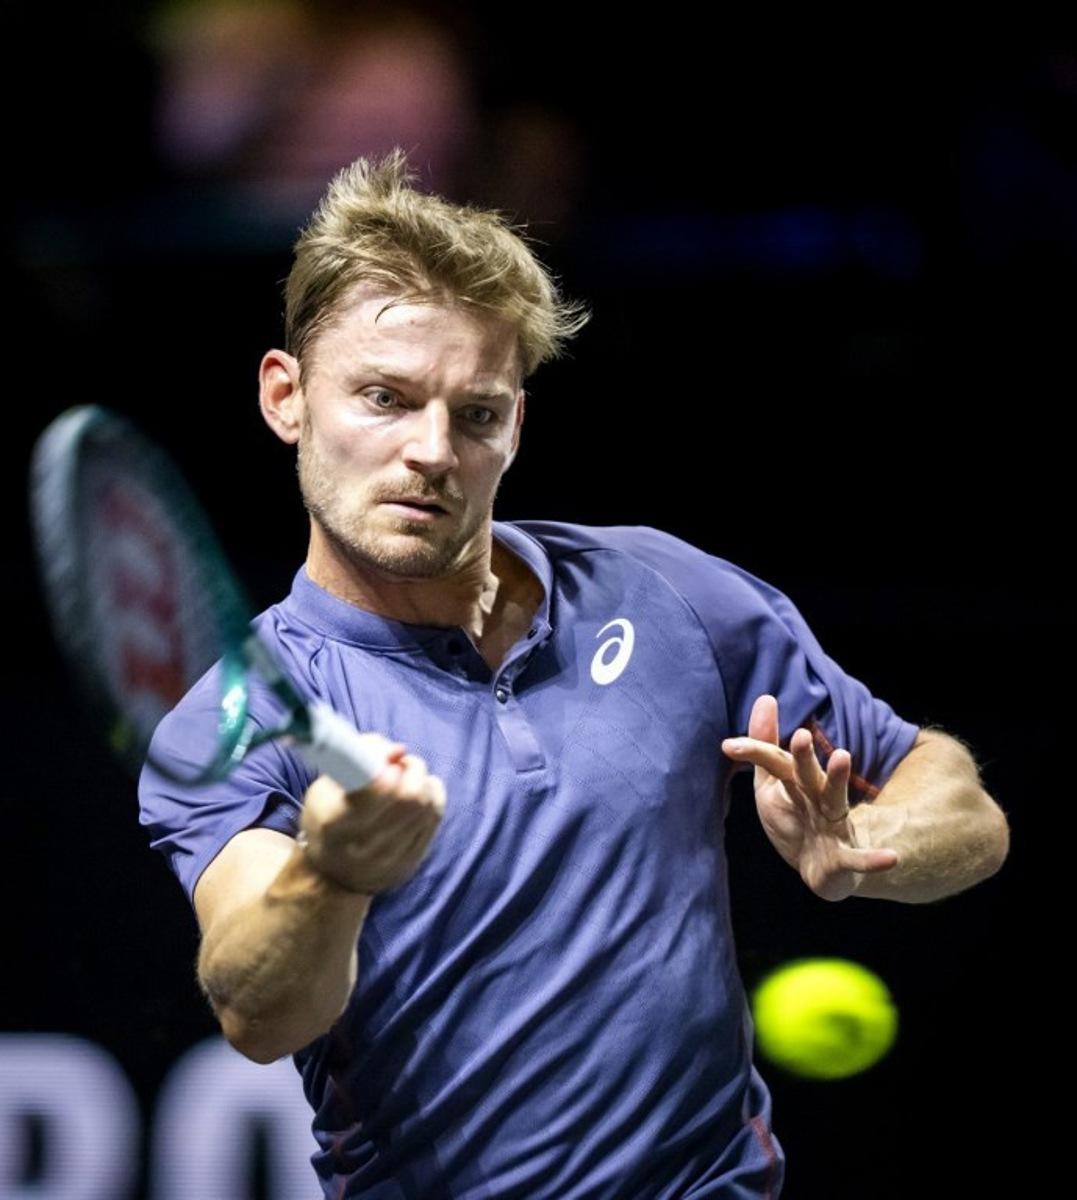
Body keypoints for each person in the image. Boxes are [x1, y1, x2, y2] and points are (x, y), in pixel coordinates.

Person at [138, 149, 1009, 1199]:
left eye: (476, 413)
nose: (431, 451)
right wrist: (332, 874)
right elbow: (259, 1014)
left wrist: (876, 844)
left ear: (517, 424)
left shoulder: (668, 590)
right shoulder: (233, 718)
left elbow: (956, 797)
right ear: (286, 398)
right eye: (384, 397)